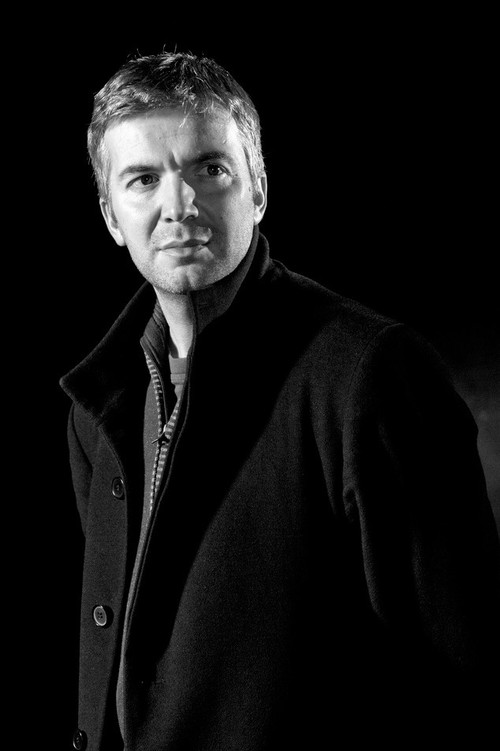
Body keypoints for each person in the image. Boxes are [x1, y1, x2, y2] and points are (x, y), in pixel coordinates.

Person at [61, 51, 500, 751]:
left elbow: (464, 676)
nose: (179, 206)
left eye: (210, 168)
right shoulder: (99, 408)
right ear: (112, 216)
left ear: (259, 189)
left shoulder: (369, 375)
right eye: (143, 180)